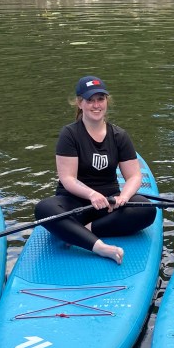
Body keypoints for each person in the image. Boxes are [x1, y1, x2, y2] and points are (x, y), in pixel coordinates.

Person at [32, 76, 155, 264]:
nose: (96, 105)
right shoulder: (70, 134)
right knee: (44, 209)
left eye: (100, 99)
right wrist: (91, 194)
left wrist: (124, 197)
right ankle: (99, 247)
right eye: (90, 100)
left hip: (108, 204)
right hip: (75, 203)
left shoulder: (119, 135)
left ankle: (83, 231)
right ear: (80, 103)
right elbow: (68, 179)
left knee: (146, 208)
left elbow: (134, 176)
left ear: (107, 101)